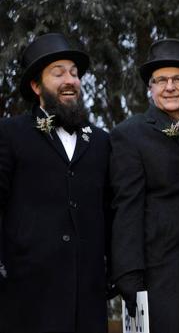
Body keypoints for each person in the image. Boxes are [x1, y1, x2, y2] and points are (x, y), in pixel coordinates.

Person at [0, 33, 111, 332]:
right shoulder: (11, 134)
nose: (70, 80)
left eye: (75, 74)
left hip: (87, 299)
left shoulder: (101, 141)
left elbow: (110, 210)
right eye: (58, 73)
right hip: (26, 296)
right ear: (36, 86)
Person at [110, 39, 179, 333]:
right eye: (160, 81)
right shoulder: (131, 134)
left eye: (178, 79)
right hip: (160, 269)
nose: (169, 87)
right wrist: (128, 273)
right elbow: (127, 206)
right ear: (150, 89)